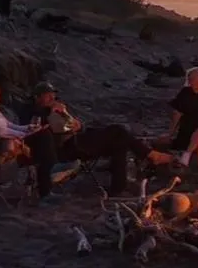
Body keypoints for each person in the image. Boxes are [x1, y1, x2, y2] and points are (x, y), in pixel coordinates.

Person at [20, 81, 173, 195]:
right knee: (118, 132)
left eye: (52, 95)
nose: (52, 98)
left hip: (79, 139)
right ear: (37, 97)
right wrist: (53, 114)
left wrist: (71, 119)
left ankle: (118, 187)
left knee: (119, 141)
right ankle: (149, 155)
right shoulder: (33, 111)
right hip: (70, 147)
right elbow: (37, 128)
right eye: (47, 96)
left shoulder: (55, 109)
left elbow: (74, 124)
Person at [0, 79, 60, 204]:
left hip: (3, 144)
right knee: (44, 138)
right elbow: (0, 132)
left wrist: (28, 128)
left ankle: (48, 174)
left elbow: (10, 126)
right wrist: (26, 134)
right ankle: (48, 176)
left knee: (44, 138)